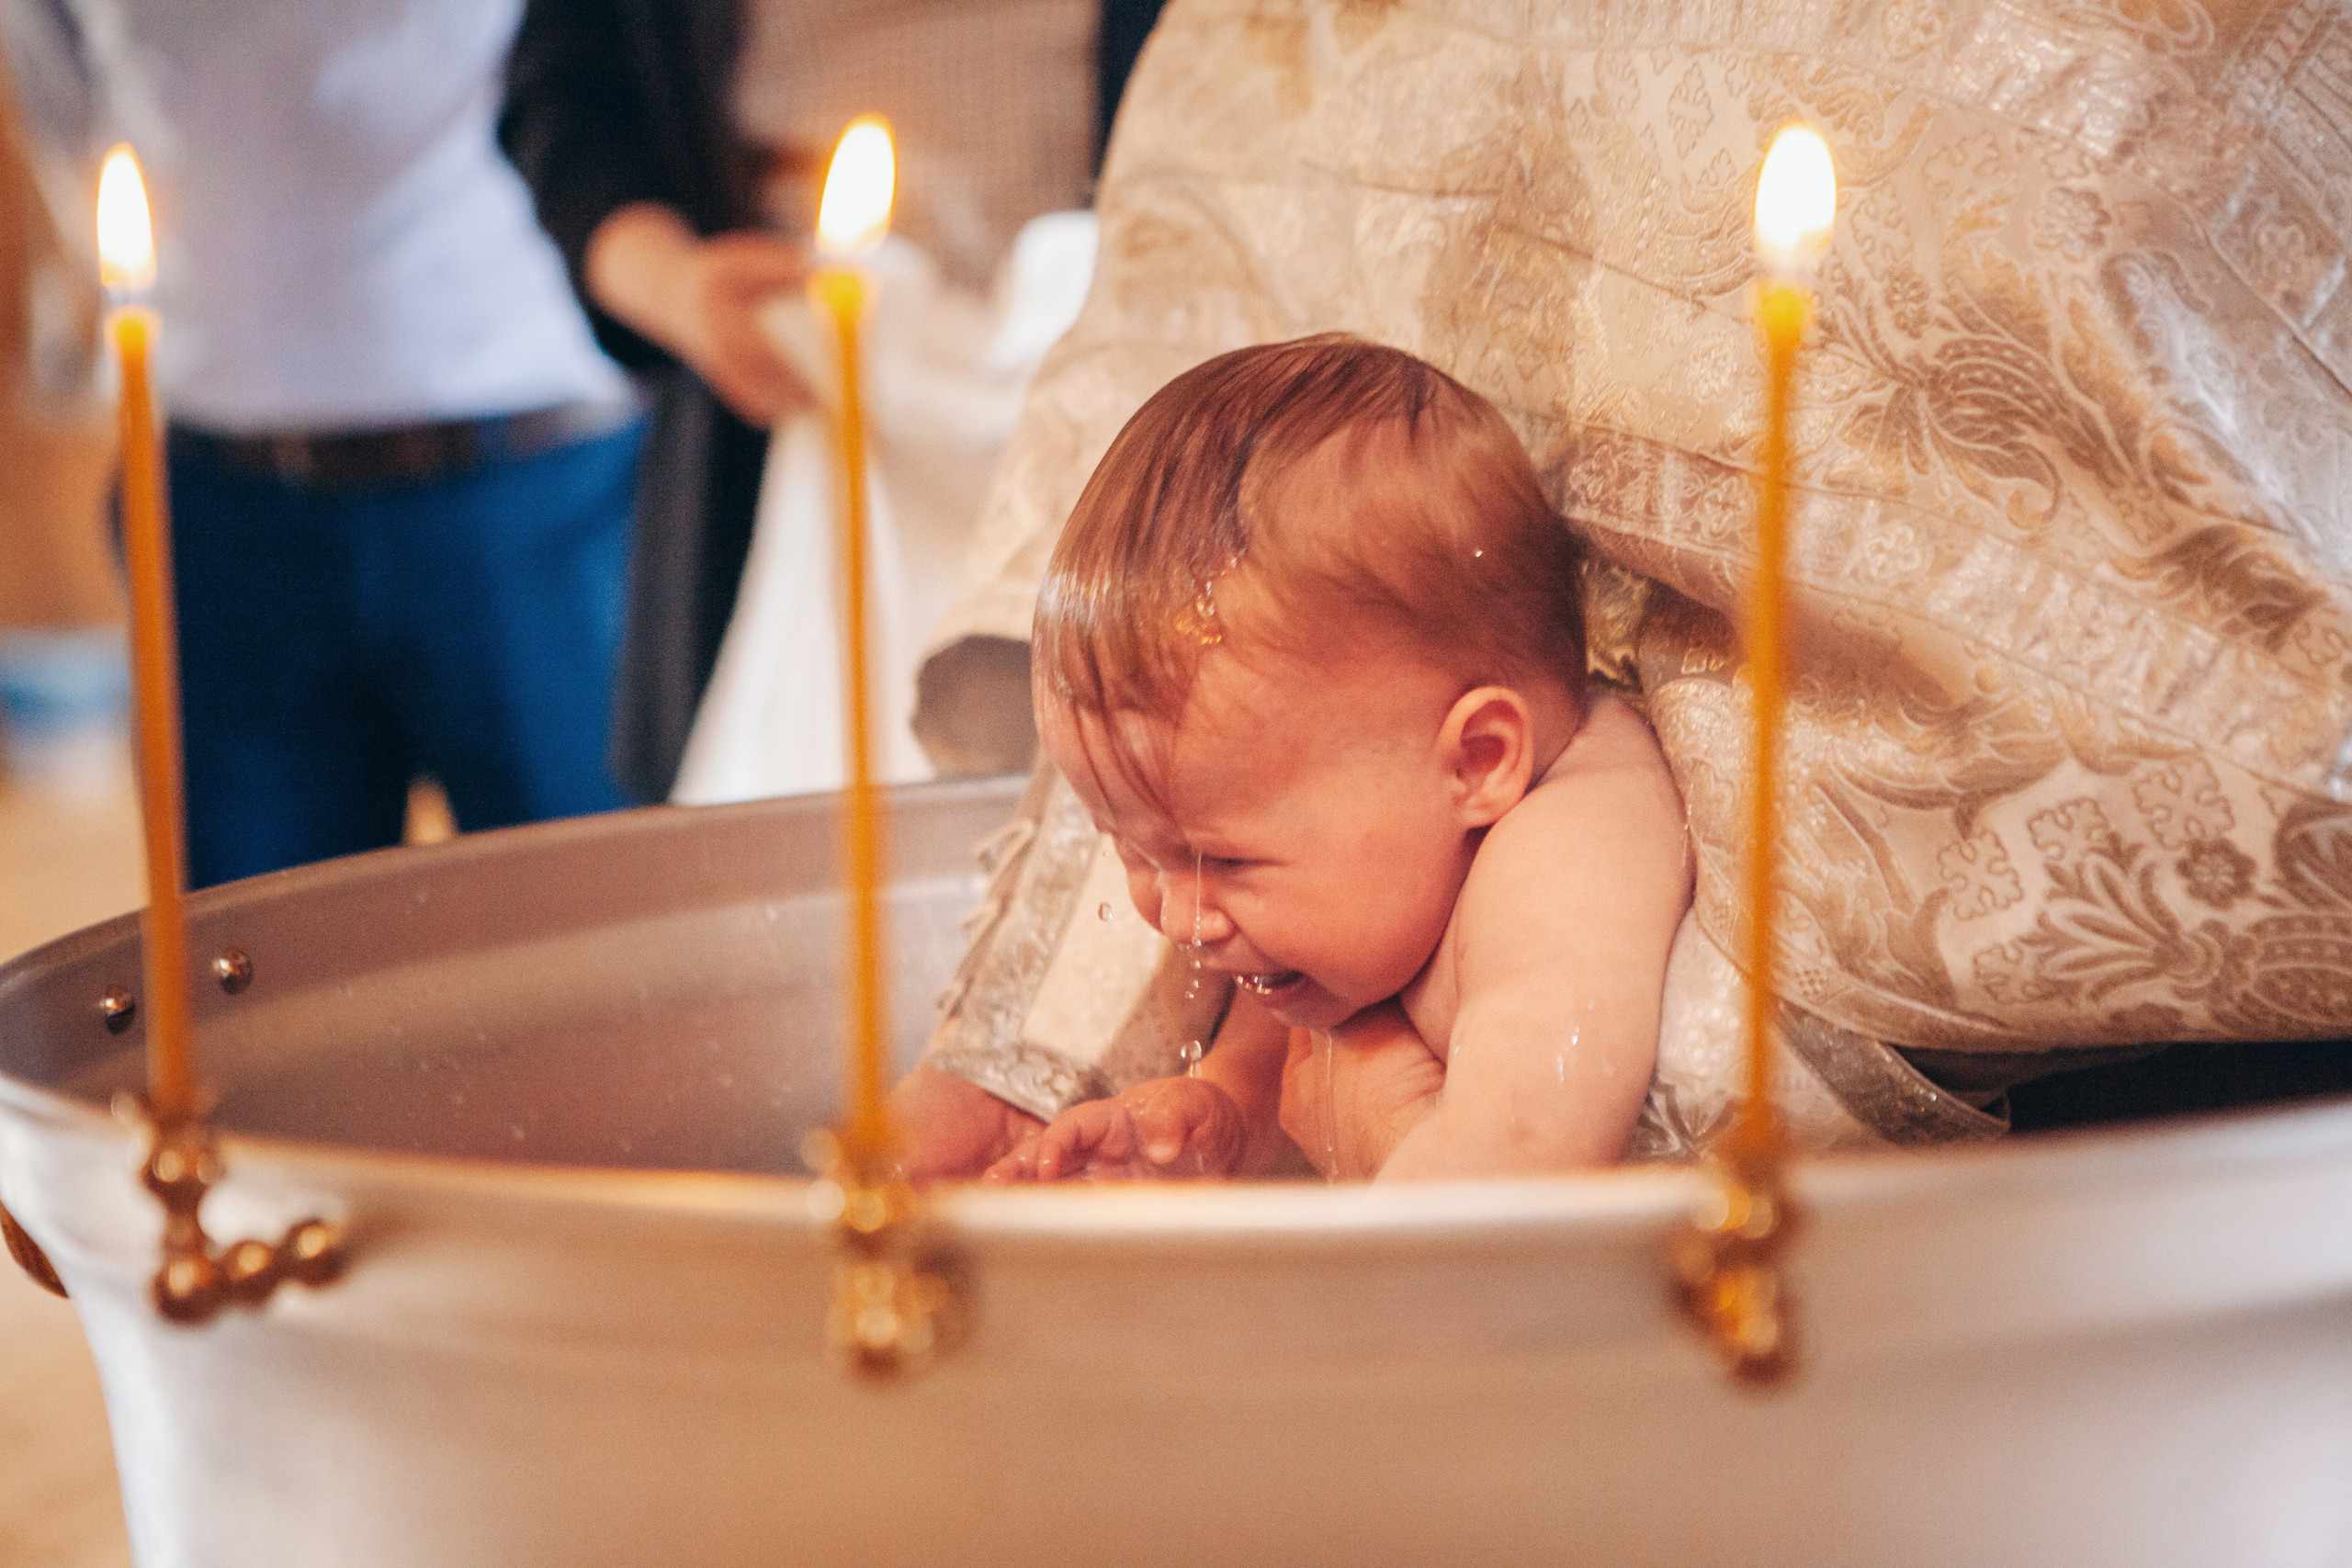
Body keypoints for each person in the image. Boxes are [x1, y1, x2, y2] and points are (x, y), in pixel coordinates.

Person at [965, 335, 1691, 1181]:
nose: (1175, 916)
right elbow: (1304, 1047)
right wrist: (1219, 1120)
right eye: (1129, 847)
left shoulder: (1566, 862)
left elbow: (1517, 1178)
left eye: (1222, 857)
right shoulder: (1350, 884)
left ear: (1479, 761)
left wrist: (1379, 1140)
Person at [5, 0, 643, 888]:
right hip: (224, 491)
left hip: (540, 466)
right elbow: (61, 84)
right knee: (247, 972)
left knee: (596, 938)